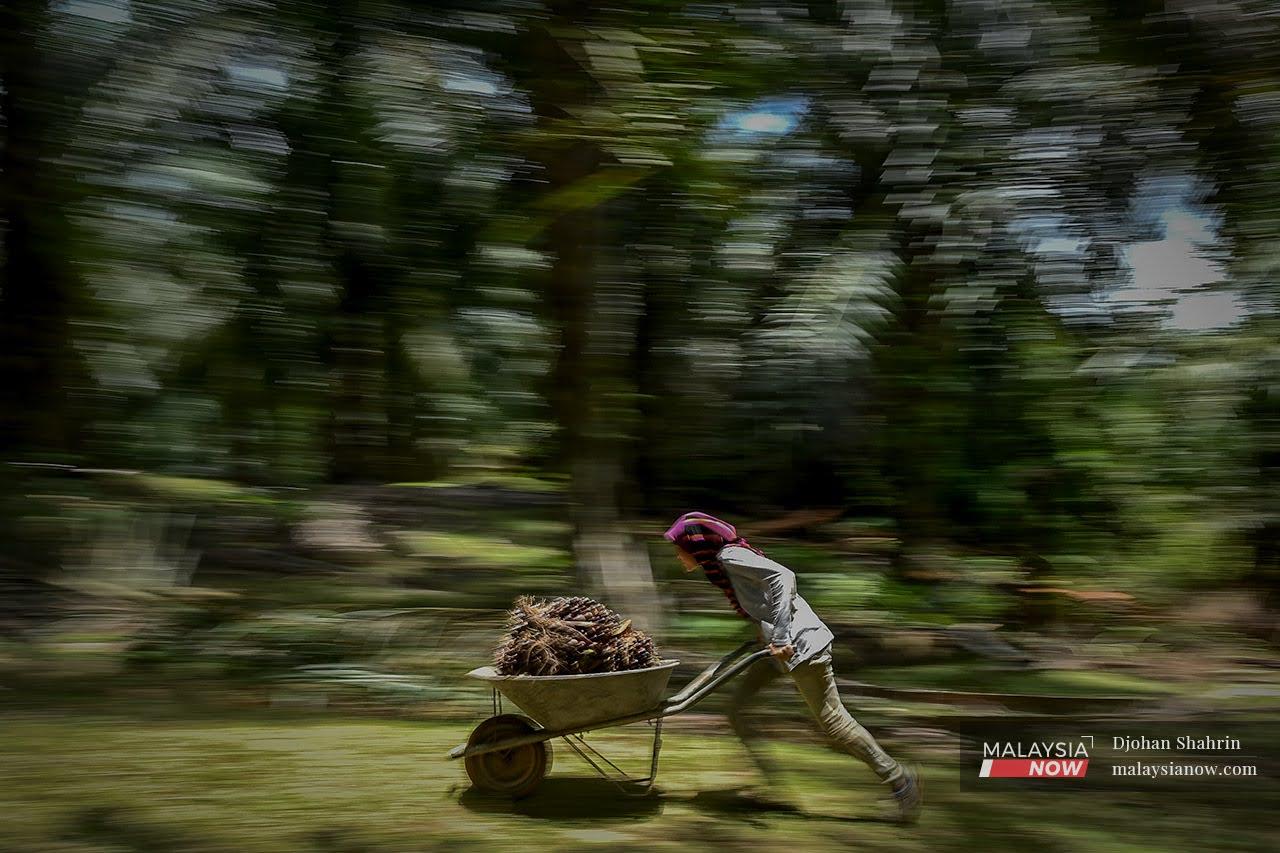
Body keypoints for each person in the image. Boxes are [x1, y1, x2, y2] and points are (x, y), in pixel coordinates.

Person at [664, 511, 922, 821]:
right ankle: (773, 787)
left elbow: (783, 577)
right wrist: (763, 635)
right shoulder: (721, 564)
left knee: (834, 722)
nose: (677, 556)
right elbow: (761, 599)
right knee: (737, 711)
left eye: (678, 548)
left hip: (800, 647)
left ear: (695, 544)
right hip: (777, 649)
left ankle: (899, 780)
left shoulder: (730, 556)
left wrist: (782, 636)